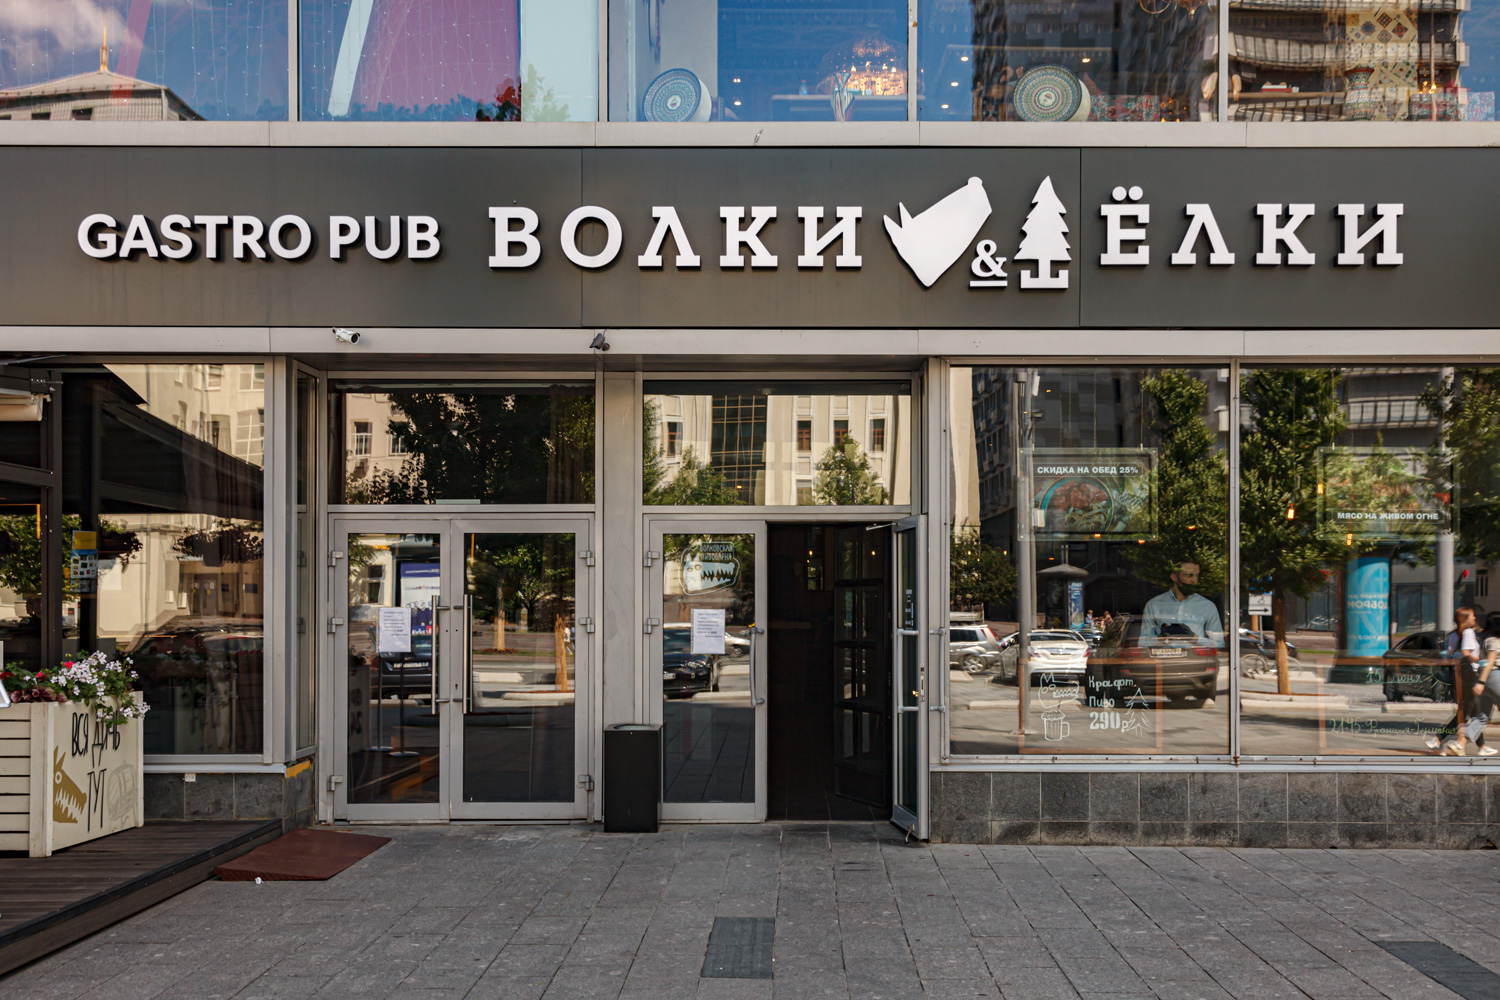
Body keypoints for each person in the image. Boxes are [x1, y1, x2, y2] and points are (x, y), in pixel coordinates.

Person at [1438, 609, 1499, 755]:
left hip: (1484, 679)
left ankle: (1460, 744)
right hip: (1492, 677)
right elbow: (1490, 663)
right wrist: (1481, 683)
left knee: (1481, 718)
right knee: (1479, 717)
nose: (1475, 617)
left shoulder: (1485, 638)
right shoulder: (1493, 640)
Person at [1431, 607, 1485, 754]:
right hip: (1469, 674)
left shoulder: (1454, 635)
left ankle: (1482, 746)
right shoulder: (1468, 632)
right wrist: (1477, 659)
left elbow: (1448, 655)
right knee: (1468, 713)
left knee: (1474, 713)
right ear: (1465, 619)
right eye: (1472, 616)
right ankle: (1439, 739)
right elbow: (1466, 652)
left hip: (1458, 674)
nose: (1475, 618)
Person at [1140, 562, 1224, 647]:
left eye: (1197, 575)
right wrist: (1160, 638)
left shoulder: (1208, 606)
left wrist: (1194, 638)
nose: (1195, 581)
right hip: (1163, 655)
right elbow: (1142, 644)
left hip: (1195, 656)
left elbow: (1219, 644)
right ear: (1174, 577)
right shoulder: (1154, 605)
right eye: (1189, 575)